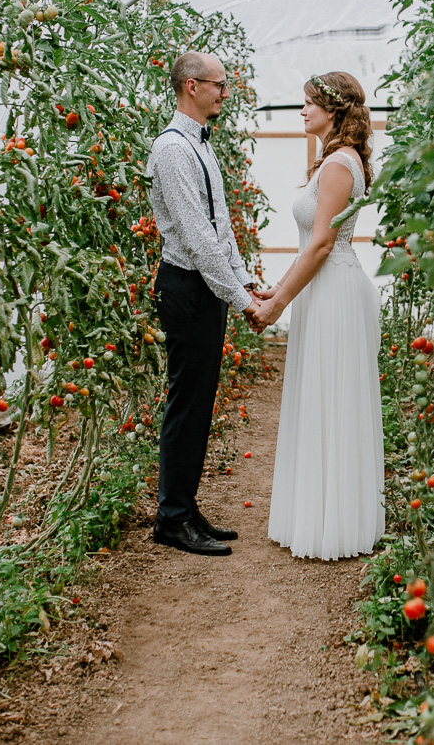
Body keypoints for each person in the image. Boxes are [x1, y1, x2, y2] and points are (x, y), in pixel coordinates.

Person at [251, 72, 385, 559]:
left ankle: (337, 524)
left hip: (333, 293)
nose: (302, 112)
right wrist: (280, 287)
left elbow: (324, 244)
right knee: (321, 398)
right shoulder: (332, 161)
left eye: (309, 104)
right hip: (321, 289)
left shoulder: (338, 166)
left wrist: (279, 303)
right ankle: (321, 514)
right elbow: (312, 244)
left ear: (335, 110)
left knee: (333, 400)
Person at [147, 51, 264, 557]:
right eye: (219, 84)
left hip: (205, 286)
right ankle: (171, 518)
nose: (225, 92)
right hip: (185, 284)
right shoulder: (172, 150)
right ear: (191, 86)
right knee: (186, 402)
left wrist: (244, 283)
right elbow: (195, 238)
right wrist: (242, 302)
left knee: (199, 401)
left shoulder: (201, 146)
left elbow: (222, 229)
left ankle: (185, 507)